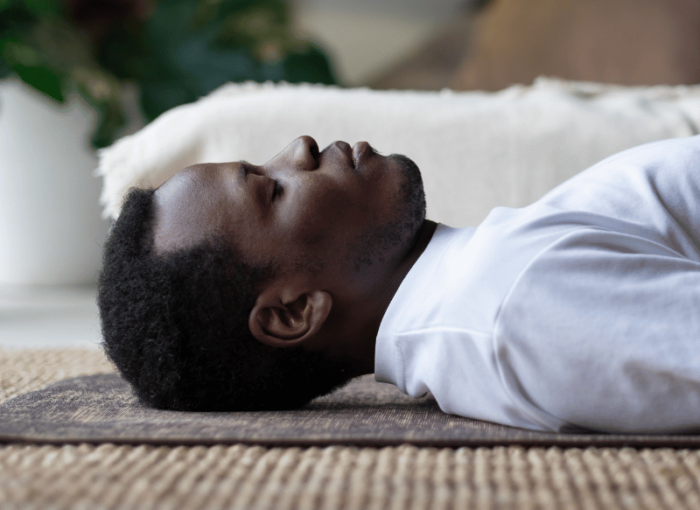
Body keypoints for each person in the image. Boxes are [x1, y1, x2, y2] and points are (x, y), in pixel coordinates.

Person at [98, 134, 700, 434]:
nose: (300, 146)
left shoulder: (492, 285)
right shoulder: (514, 303)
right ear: (294, 311)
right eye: (271, 188)